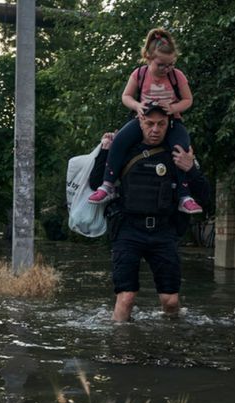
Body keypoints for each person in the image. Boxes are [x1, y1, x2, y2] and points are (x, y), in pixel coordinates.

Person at [94, 102, 210, 322]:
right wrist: (104, 150)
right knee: (126, 298)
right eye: (150, 123)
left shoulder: (178, 152)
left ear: (169, 124)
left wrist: (191, 168)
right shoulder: (124, 150)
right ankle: (120, 350)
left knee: (171, 301)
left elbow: (204, 196)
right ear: (140, 122)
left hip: (163, 232)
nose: (155, 129)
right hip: (128, 230)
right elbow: (95, 183)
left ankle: (170, 342)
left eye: (161, 124)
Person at [88, 27, 203, 215]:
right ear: (148, 58)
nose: (166, 69)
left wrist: (173, 108)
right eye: (161, 65)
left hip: (171, 122)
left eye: (170, 64)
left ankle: (184, 196)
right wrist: (137, 106)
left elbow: (188, 100)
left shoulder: (177, 76)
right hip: (143, 118)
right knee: (119, 141)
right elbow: (126, 96)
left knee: (181, 149)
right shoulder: (139, 74)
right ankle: (107, 185)